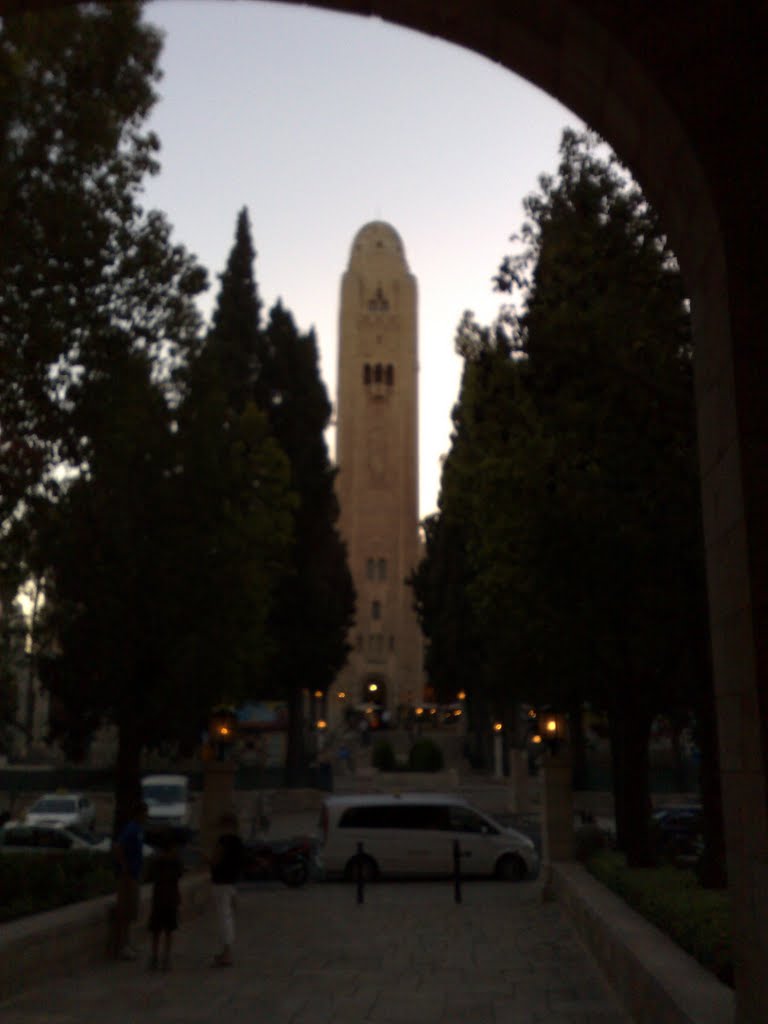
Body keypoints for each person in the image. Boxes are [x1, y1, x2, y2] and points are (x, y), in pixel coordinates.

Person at [209, 811, 244, 967]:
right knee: (228, 916)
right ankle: (226, 951)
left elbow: (215, 860)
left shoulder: (224, 841)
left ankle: (227, 952)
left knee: (224, 917)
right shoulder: (238, 842)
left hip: (221, 882)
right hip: (231, 882)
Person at [114, 800, 148, 961]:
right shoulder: (132, 829)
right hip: (128, 876)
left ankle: (127, 943)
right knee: (125, 911)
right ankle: (122, 946)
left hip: (135, 874)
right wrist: (125, 866)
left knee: (131, 911)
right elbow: (119, 846)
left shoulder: (139, 829)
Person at [145, 828, 183, 970]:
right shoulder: (175, 861)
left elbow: (149, 876)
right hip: (171, 897)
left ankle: (154, 956)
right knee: (169, 930)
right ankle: (166, 957)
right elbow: (179, 876)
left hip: (158, 898)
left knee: (156, 930)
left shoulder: (156, 861)